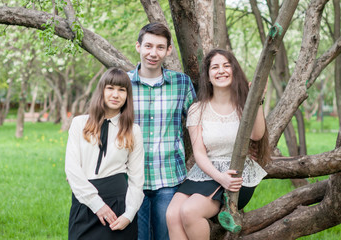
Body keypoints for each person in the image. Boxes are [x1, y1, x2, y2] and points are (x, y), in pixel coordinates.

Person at [166, 49, 271, 240]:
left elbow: (257, 135)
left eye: (226, 65)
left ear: (234, 70)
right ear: (207, 76)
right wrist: (219, 178)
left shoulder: (244, 105)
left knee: (190, 212)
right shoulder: (197, 109)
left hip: (237, 174)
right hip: (207, 172)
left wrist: (257, 101)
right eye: (215, 67)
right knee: (172, 215)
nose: (221, 71)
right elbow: (199, 154)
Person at [127, 22, 197, 240]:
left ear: (168, 51)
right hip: (131, 179)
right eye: (148, 46)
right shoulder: (123, 84)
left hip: (168, 179)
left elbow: (200, 124)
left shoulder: (181, 84)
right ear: (138, 47)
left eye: (160, 47)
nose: (153, 53)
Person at [65, 67, 145, 240]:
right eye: (110, 88)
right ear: (101, 90)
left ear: (127, 96)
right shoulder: (79, 124)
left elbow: (137, 179)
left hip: (119, 205)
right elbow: (72, 169)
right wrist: (96, 204)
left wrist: (129, 214)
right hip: (84, 201)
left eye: (121, 90)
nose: (115, 95)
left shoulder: (133, 131)